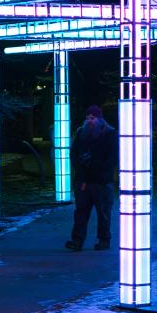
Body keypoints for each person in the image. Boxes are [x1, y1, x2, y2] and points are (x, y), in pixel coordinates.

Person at [65, 105, 117, 251]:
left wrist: (100, 172)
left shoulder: (110, 134)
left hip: (101, 181)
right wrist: (80, 170)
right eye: (87, 118)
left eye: (92, 118)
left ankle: (103, 240)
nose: (89, 120)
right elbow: (74, 154)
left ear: (99, 119)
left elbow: (112, 157)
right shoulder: (81, 132)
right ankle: (77, 241)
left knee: (103, 212)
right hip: (83, 181)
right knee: (81, 212)